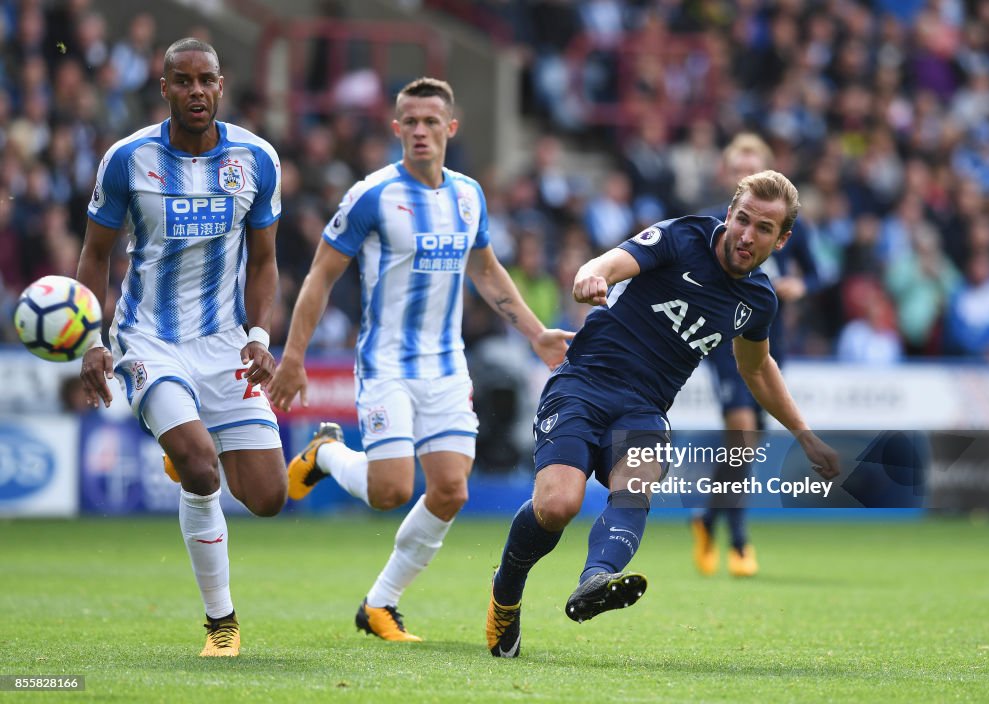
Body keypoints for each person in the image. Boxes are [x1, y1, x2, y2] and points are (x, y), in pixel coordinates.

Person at [486, 170, 840, 658]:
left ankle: (595, 582)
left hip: (645, 408)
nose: (746, 235)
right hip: (583, 383)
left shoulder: (758, 301)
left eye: (763, 229)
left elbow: (757, 371)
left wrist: (803, 433)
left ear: (782, 240)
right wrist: (593, 274)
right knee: (558, 506)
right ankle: (505, 592)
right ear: (730, 213)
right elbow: (611, 261)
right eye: (742, 220)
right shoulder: (683, 236)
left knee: (636, 483)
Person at [266, 77, 572, 642]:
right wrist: (294, 356)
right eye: (411, 121)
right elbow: (320, 276)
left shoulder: (468, 195)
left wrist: (535, 334)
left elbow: (484, 269)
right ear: (397, 128)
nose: (422, 131)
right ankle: (327, 453)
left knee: (452, 490)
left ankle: (380, 604)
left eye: (432, 121)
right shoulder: (372, 195)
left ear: (451, 128)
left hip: (446, 366)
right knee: (389, 491)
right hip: (386, 365)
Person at [77, 38, 286, 658]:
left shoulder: (257, 159)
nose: (196, 91)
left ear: (221, 86)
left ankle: (187, 447)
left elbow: (267, 260)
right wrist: (92, 337)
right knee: (200, 465)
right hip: (149, 337)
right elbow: (95, 253)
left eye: (207, 80)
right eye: (183, 80)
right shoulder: (127, 159)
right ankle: (221, 624)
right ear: (163, 87)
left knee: (268, 498)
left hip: (225, 342)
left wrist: (258, 336)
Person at [693, 133, 821, 578]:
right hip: (724, 339)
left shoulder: (788, 226)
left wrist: (799, 286)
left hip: (767, 336)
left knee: (745, 446)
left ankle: (708, 518)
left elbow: (819, 273)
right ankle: (741, 543)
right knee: (742, 430)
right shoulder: (713, 223)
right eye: (737, 171)